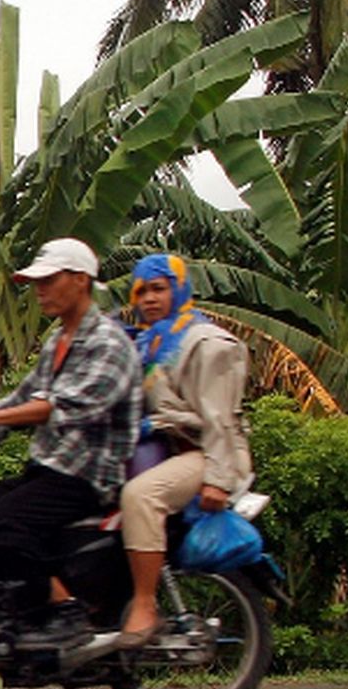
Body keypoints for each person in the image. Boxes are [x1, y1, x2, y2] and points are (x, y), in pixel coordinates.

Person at [0, 237, 142, 646]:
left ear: (81, 280)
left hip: (86, 477)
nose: (39, 290)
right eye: (35, 282)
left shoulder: (108, 343)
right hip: (48, 469)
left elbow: (59, 406)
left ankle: (64, 607)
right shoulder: (58, 340)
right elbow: (23, 398)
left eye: (48, 280)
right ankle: (15, 605)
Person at [108, 253, 253, 647]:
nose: (149, 299)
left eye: (159, 289)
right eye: (141, 291)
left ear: (180, 288)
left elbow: (221, 418)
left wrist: (219, 481)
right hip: (168, 449)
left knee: (140, 497)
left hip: (206, 452)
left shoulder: (205, 343)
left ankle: (144, 605)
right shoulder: (149, 341)